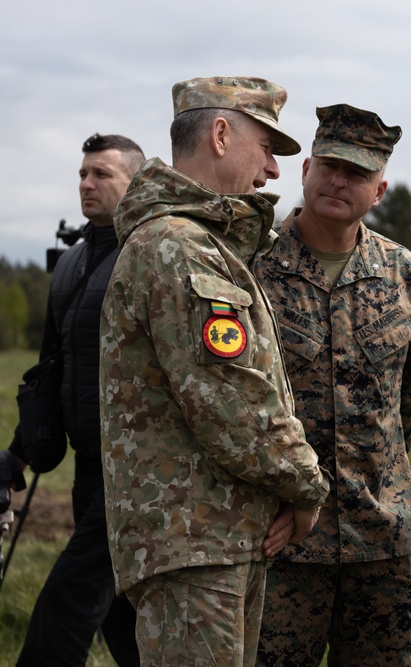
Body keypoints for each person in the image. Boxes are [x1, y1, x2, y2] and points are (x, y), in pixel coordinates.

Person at [99, 76, 330, 667]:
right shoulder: (177, 246)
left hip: (215, 537)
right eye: (267, 148)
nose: (275, 171)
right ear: (222, 135)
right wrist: (306, 485)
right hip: (194, 543)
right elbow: (231, 402)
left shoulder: (201, 243)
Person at [254, 103, 411, 666]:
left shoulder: (407, 276)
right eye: (330, 166)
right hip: (281, 539)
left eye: (357, 173)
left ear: (379, 190)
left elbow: (410, 399)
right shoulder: (251, 266)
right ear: (306, 168)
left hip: (382, 538)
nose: (340, 181)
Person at [0, 133, 145, 667]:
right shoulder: (72, 264)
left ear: (135, 183)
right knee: (121, 618)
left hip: (137, 476)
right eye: (83, 174)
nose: (87, 183)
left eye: (101, 174)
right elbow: (47, 371)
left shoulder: (149, 257)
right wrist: (15, 458)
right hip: (90, 470)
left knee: (66, 603)